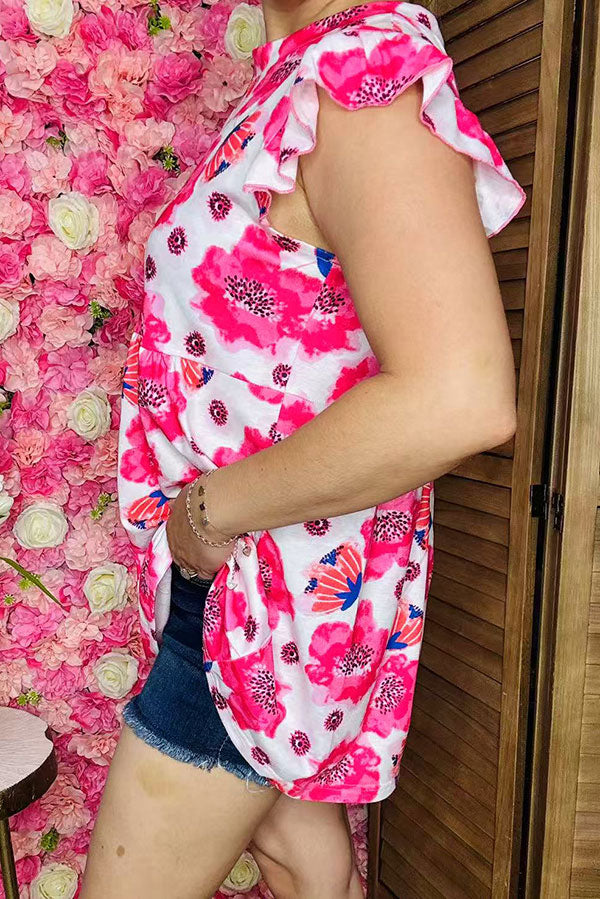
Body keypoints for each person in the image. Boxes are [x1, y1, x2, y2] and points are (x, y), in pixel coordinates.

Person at [81, 0, 526, 896]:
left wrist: (206, 513)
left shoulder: (365, 79)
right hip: (245, 593)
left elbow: (460, 396)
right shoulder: (304, 73)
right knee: (305, 866)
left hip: (257, 602)